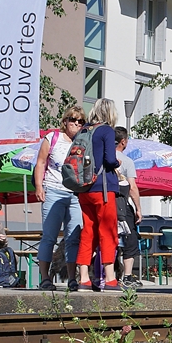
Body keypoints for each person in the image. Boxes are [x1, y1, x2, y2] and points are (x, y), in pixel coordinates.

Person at [34, 106, 86, 292]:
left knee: (73, 237)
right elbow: (40, 162)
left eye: (81, 121)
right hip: (53, 190)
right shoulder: (52, 138)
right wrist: (39, 186)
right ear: (65, 121)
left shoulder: (83, 142)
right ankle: (45, 278)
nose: (77, 124)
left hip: (75, 194)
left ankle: (72, 277)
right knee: (49, 236)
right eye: (73, 120)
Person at [76, 98, 122, 291]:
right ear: (110, 113)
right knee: (108, 230)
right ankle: (110, 278)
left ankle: (84, 278)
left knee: (88, 231)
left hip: (83, 188)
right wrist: (117, 164)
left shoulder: (83, 130)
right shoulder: (106, 131)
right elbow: (110, 159)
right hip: (102, 188)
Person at [114, 127, 144, 289]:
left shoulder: (100, 157)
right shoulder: (126, 161)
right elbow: (132, 187)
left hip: (103, 205)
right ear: (123, 141)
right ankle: (127, 276)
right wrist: (138, 208)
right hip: (121, 207)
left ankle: (106, 274)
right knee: (130, 239)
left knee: (108, 240)